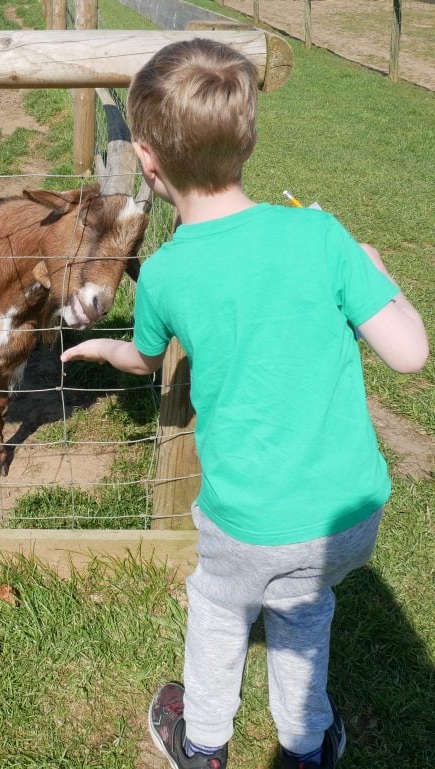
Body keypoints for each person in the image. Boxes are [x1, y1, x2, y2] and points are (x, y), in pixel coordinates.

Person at [61, 38, 429, 769]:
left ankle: (201, 744)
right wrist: (375, 270)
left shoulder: (164, 273)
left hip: (247, 521)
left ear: (147, 158)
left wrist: (106, 350)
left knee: (220, 610)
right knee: (303, 612)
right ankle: (303, 745)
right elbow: (411, 351)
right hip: (346, 514)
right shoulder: (321, 234)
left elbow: (145, 357)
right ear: (249, 137)